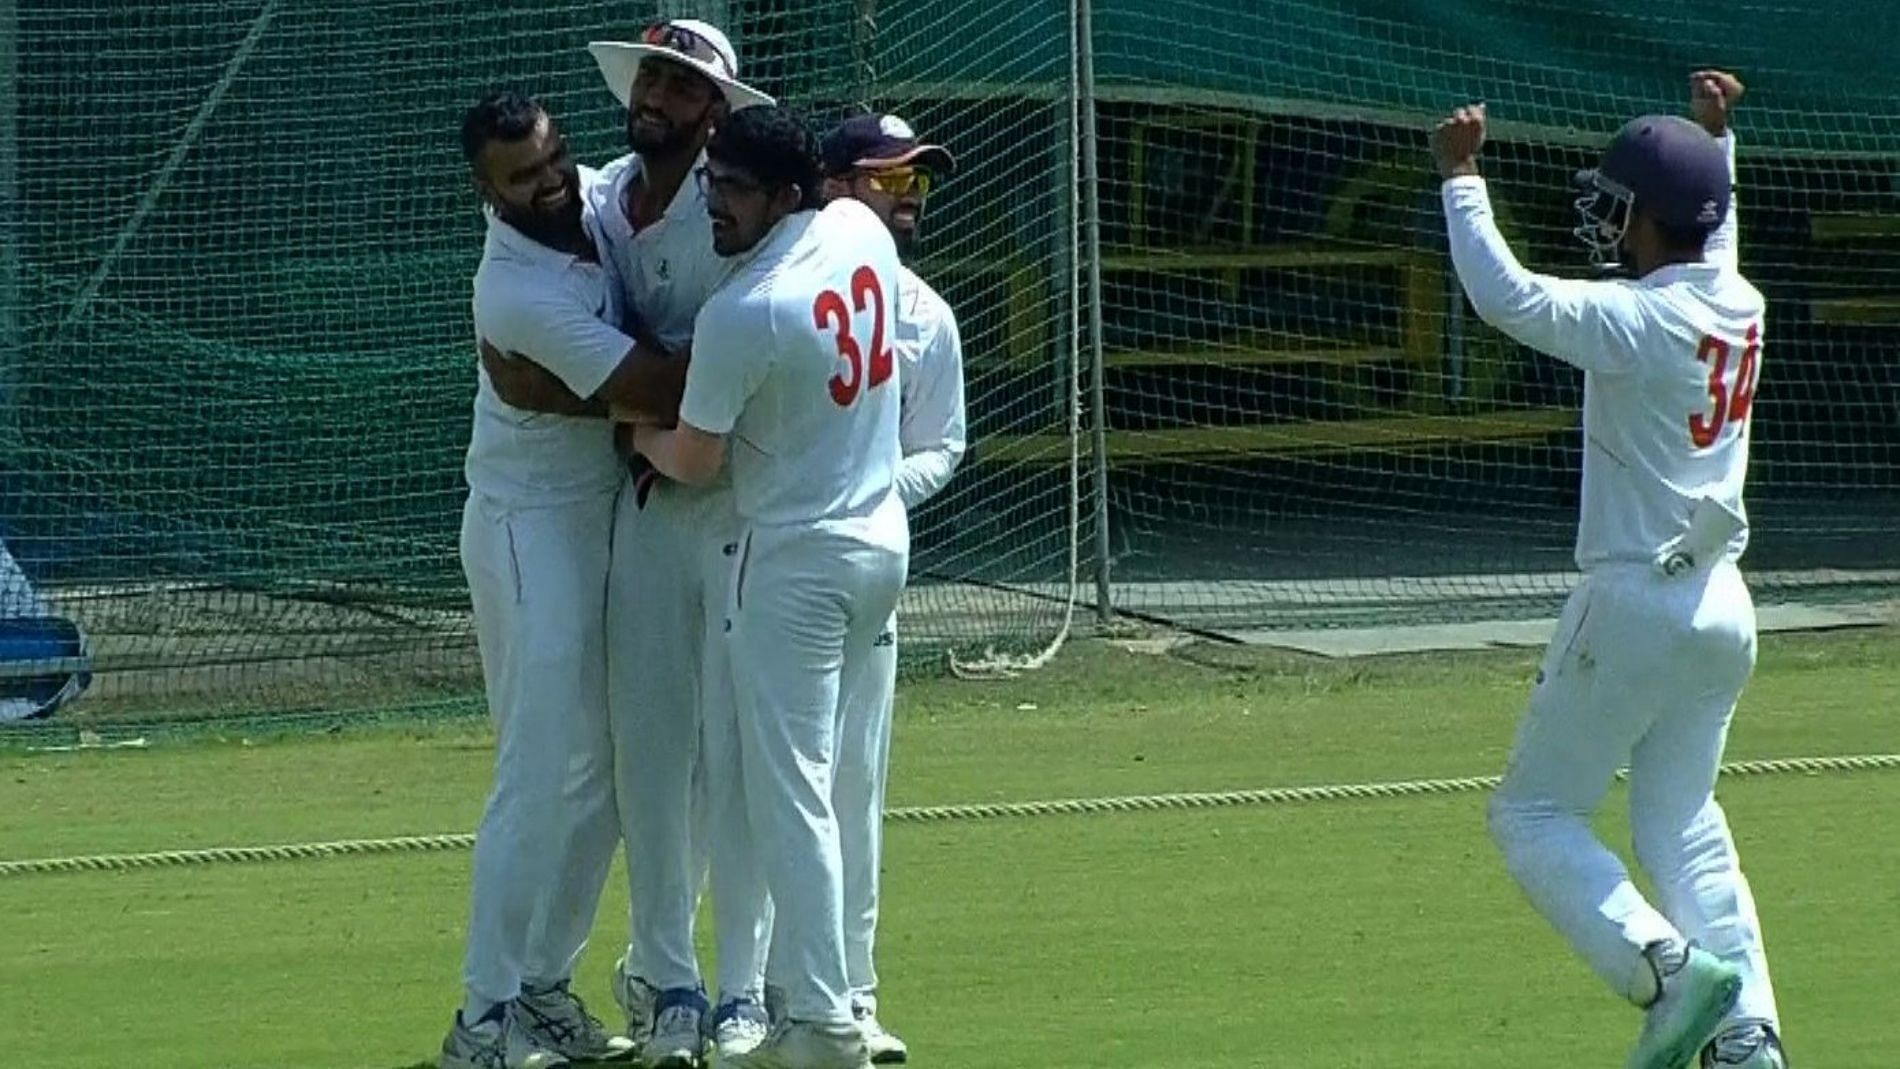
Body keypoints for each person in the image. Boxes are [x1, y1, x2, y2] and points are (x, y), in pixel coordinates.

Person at [1432, 71, 1787, 1069]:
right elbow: (1714, 238)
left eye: (1619, 206)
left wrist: (1461, 180)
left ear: (1646, 217)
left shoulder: (1638, 324)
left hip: (1635, 596)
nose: (1608, 221)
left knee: (1533, 813)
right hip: (1723, 605)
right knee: (1680, 819)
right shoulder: (1738, 304)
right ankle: (1746, 1035)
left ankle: (1667, 975)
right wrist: (1719, 148)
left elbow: (1508, 299)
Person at [479, 18, 779, 1066]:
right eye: (651, 73)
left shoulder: (734, 211)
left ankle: (746, 983)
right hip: (640, 511)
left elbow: (694, 379)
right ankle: (668, 987)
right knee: (639, 762)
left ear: (715, 110)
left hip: (739, 509)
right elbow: (532, 306)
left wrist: (574, 395)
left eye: (683, 84)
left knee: (733, 759)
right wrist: (565, 380)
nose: (658, 92)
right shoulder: (599, 194)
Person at [631, 103, 905, 1069]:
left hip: (798, 559)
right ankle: (831, 1000)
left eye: (734, 189)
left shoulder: (744, 313)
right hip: (879, 543)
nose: (714, 203)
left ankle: (826, 1018)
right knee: (835, 782)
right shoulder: (860, 227)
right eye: (710, 180)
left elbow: (695, 461)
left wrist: (635, 431)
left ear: (787, 194)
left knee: (792, 793)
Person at [442, 88, 686, 1069]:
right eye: (520, 175)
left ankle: (542, 985)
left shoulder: (591, 193)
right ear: (483, 188)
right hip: (522, 526)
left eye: (551, 157)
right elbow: (662, 389)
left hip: (606, 521)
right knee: (536, 775)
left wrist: (563, 397)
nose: (548, 182)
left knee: (616, 776)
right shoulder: (513, 290)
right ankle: (482, 1020)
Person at [810, 112, 969, 1064]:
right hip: (758, 564)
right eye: (888, 180)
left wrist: (872, 488)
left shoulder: (923, 314)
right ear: (831, 185)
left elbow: (940, 444)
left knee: (854, 785)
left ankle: (850, 994)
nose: (906, 200)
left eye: (916, 183)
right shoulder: (779, 286)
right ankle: (708, 988)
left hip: (867, 569)